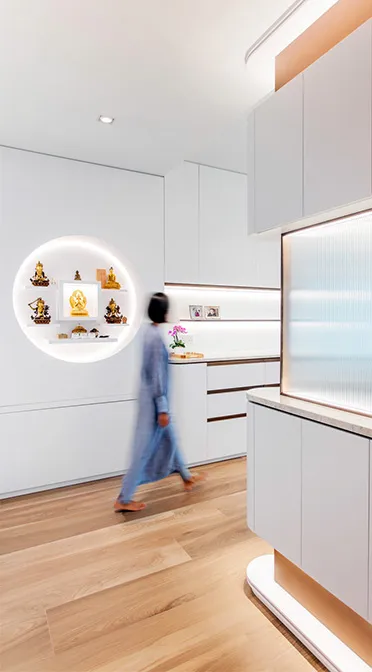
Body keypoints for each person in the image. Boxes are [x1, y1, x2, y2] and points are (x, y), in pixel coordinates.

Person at [115, 292, 204, 512]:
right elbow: (156, 375)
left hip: (151, 401)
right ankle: (123, 499)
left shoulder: (147, 331)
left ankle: (186, 477)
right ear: (162, 312)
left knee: (170, 438)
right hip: (155, 404)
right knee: (143, 450)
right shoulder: (154, 337)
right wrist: (162, 408)